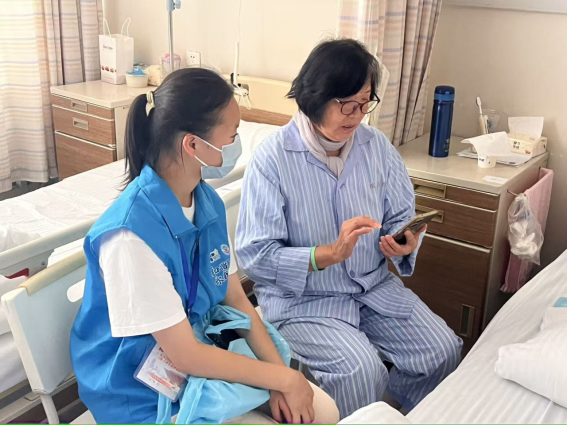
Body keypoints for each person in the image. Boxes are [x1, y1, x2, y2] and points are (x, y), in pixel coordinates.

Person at [70, 68, 338, 424]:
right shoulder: (129, 237)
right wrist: (284, 379)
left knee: (323, 412)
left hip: (198, 348)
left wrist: (282, 378)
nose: (236, 145)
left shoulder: (206, 202)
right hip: (139, 389)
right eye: (232, 135)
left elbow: (235, 297)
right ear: (193, 145)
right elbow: (184, 356)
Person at [236, 39, 463, 419]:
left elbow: (400, 213)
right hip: (304, 301)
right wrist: (327, 254)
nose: (357, 115)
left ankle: (394, 414)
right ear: (315, 96)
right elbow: (255, 257)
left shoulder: (376, 147)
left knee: (442, 351)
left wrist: (404, 242)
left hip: (372, 287)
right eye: (347, 104)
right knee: (362, 372)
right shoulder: (272, 159)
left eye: (365, 103)